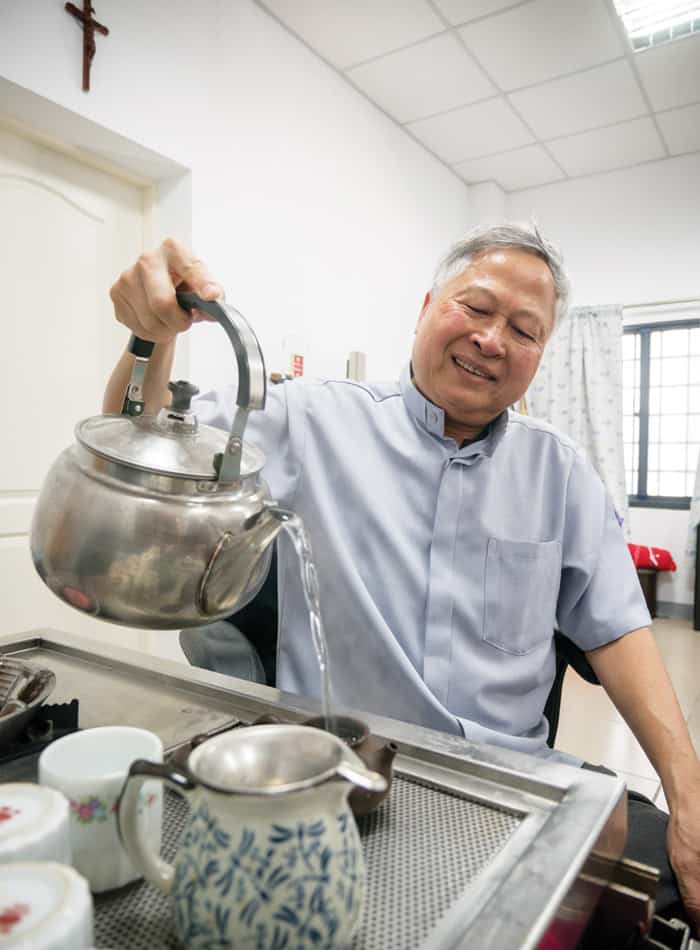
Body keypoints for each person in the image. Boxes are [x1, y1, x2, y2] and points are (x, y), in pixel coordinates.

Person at [105, 224, 700, 932]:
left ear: (540, 353)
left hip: (509, 791)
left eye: (524, 329)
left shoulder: (560, 473)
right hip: (338, 787)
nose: (492, 340)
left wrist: (687, 793)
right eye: (475, 309)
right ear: (425, 307)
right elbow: (137, 452)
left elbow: (618, 629)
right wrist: (150, 338)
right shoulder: (307, 420)